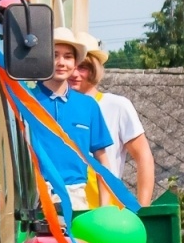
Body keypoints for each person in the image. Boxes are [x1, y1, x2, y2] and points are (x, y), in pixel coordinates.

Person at [29, 27, 113, 211]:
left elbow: (102, 160)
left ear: (75, 63)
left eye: (68, 56)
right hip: (31, 199)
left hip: (76, 199)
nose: (61, 62)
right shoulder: (23, 99)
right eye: (55, 55)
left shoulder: (88, 106)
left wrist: (104, 209)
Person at [69, 34, 155, 206]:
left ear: (95, 69)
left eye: (83, 67)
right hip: (67, 208)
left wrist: (144, 210)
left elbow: (143, 157)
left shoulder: (117, 106)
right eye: (72, 65)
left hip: (108, 211)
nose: (75, 73)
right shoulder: (53, 107)